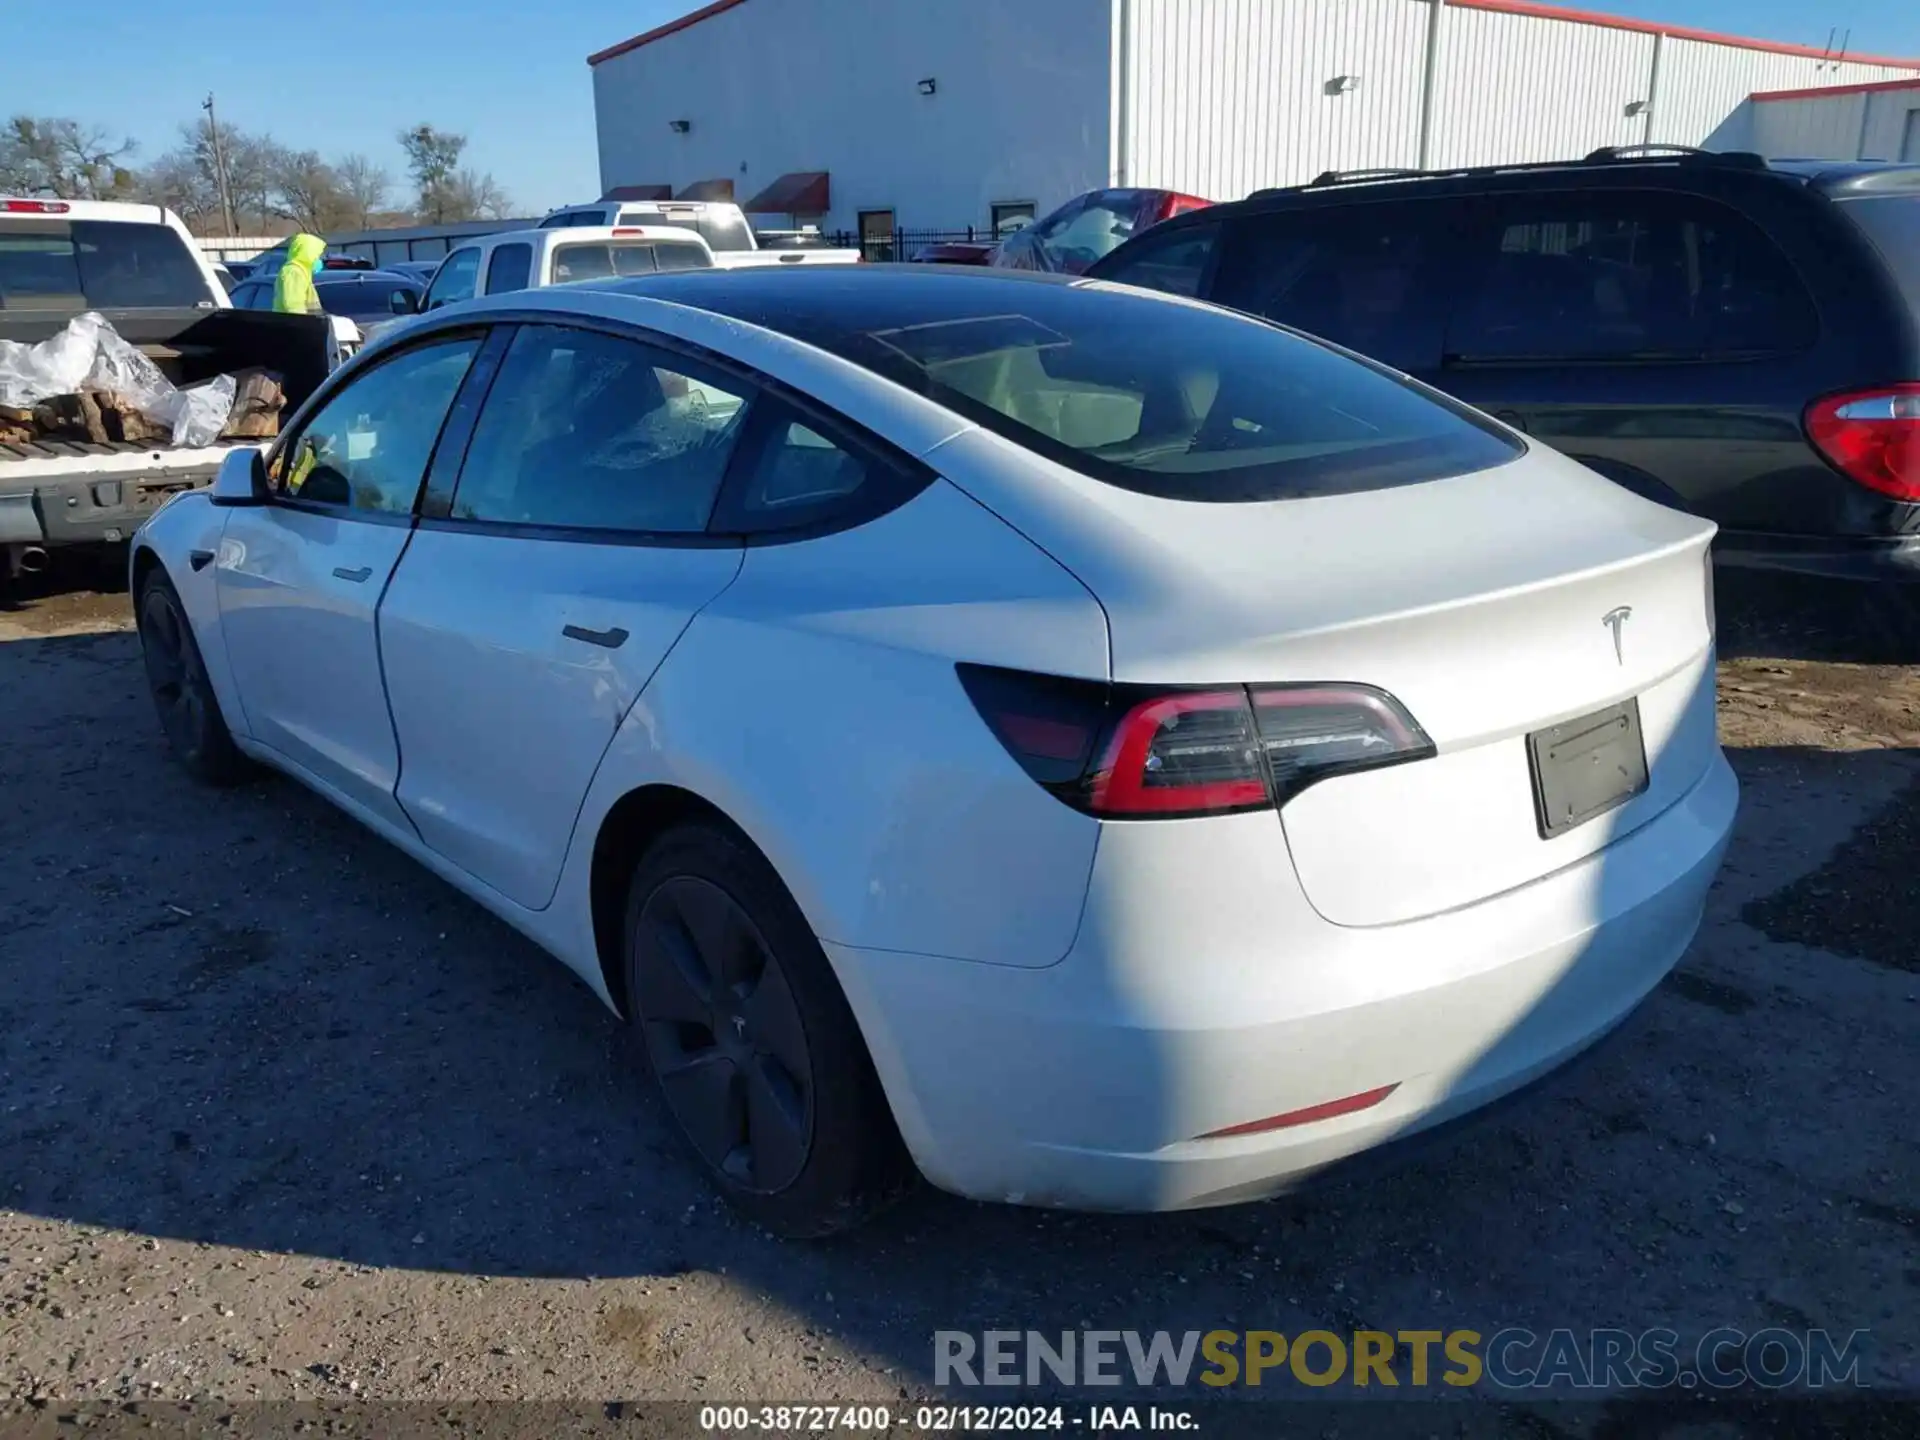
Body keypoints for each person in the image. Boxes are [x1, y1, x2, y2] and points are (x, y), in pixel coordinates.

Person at [271, 233, 327, 315]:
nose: (319, 259)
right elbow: (294, 307)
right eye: (317, 256)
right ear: (308, 254)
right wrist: (306, 325)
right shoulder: (294, 272)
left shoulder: (302, 272)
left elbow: (312, 307)